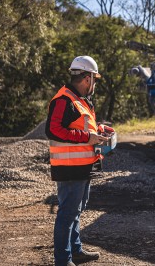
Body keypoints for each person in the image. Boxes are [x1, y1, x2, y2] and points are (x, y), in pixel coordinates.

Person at [45, 55, 114, 266]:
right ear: (87, 78)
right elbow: (53, 130)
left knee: (77, 210)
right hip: (69, 168)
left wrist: (100, 130)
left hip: (83, 167)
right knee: (67, 214)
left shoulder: (80, 101)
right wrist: (87, 137)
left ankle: (75, 251)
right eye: (94, 79)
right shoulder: (64, 100)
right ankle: (63, 260)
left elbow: (81, 129)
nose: (94, 83)